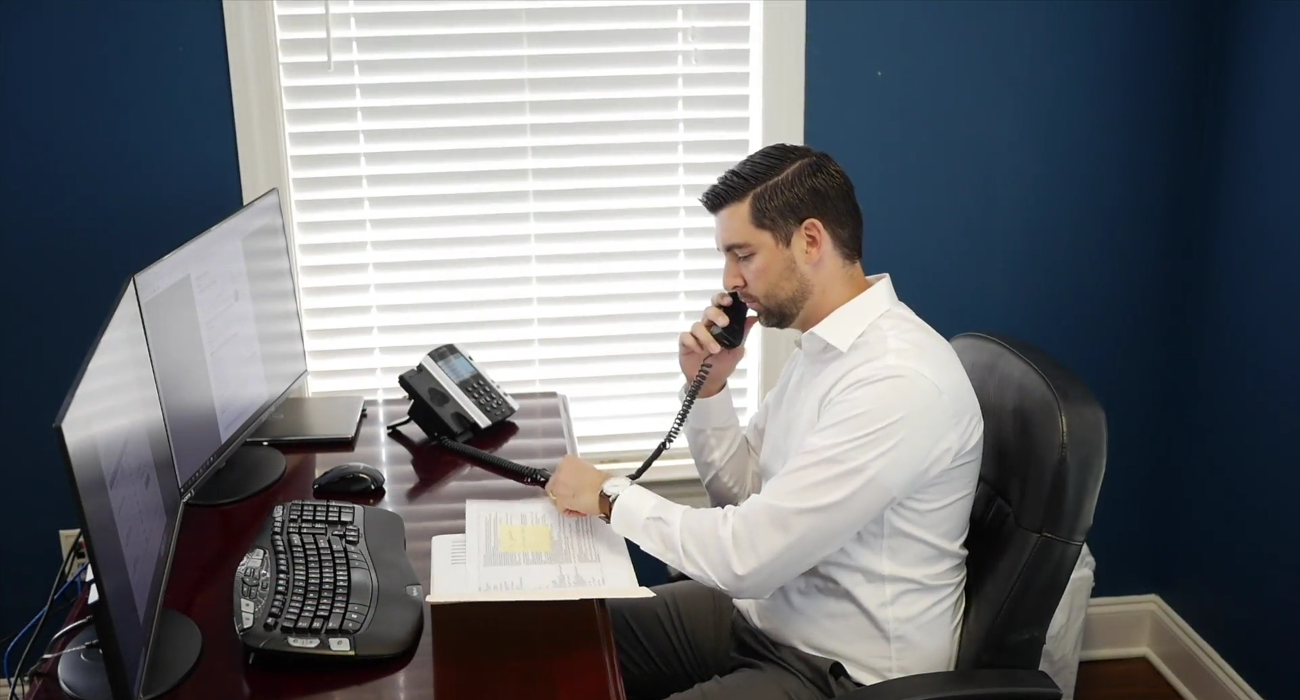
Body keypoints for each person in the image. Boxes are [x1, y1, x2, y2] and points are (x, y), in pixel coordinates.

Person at [545, 144, 985, 700]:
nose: (729, 280)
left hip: (839, 671)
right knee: (558, 638)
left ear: (810, 240)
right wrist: (708, 387)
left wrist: (611, 498)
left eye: (743, 255)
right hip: (766, 614)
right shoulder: (824, 348)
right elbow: (741, 493)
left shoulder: (896, 380)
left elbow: (745, 558)